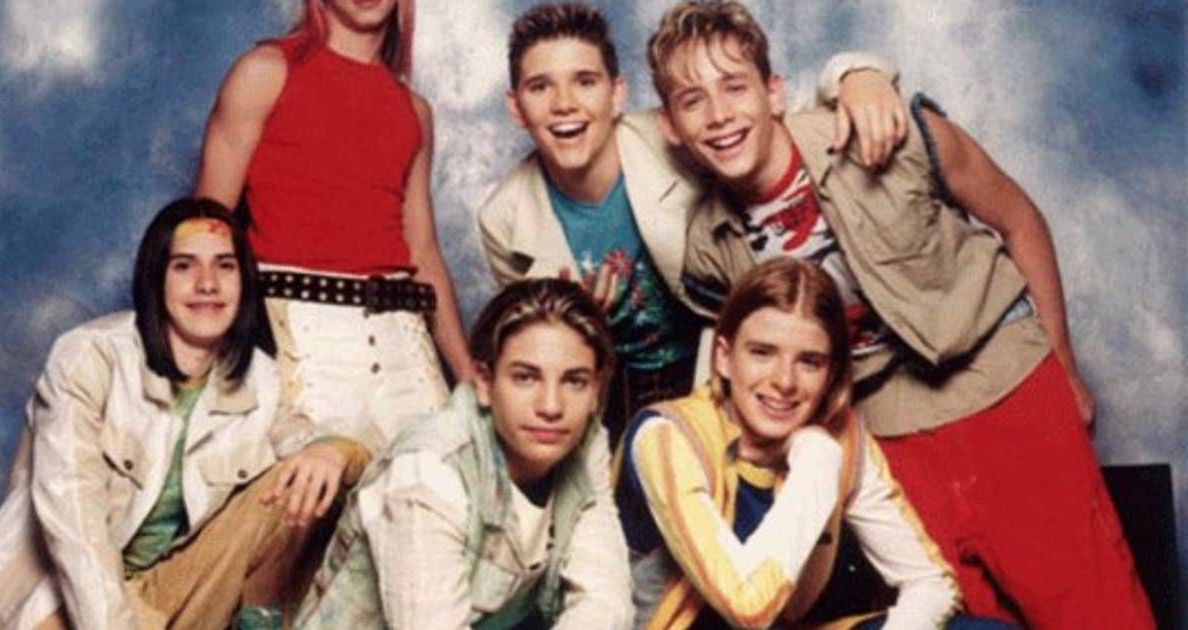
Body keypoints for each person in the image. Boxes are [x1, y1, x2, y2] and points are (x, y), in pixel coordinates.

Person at [646, 2, 1154, 627]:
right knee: (974, 621)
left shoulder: (890, 132)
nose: (720, 114)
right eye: (693, 100)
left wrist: (1064, 366)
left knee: (1095, 609)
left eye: (734, 87)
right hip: (890, 438)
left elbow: (1020, 222)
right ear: (671, 125)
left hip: (1005, 393)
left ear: (774, 92)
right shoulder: (710, 249)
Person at [478, 2, 907, 446]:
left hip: (713, 362)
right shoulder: (504, 220)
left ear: (617, 94)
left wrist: (855, 75)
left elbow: (776, 118)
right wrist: (576, 319)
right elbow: (532, 348)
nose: (564, 104)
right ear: (516, 107)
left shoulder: (674, 135)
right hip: (612, 386)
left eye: (585, 82)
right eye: (540, 87)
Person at [0, 198, 368, 630]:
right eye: (185, 266)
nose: (207, 284)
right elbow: (75, 528)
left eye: (225, 266)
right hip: (67, 594)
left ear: (243, 282)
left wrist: (335, 452)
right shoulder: (88, 357)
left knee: (300, 478)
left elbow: (307, 439)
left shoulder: (258, 378)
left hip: (169, 592)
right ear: (156, 279)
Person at [617, 257, 1005, 629]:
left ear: (831, 374)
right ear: (723, 357)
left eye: (810, 362)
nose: (784, 381)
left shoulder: (840, 438)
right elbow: (748, 608)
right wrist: (815, 463)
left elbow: (931, 584)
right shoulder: (666, 436)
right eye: (762, 353)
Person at [196, 0, 472, 450]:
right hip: (303, 341)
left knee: (445, 483)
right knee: (315, 482)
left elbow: (422, 251)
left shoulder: (415, 111)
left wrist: (466, 373)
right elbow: (204, 233)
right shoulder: (264, 72)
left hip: (404, 345)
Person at [294, 279, 632, 629]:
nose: (551, 406)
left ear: (596, 390)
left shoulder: (584, 443)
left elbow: (605, 602)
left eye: (574, 381)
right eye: (525, 378)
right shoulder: (427, 472)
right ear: (484, 382)